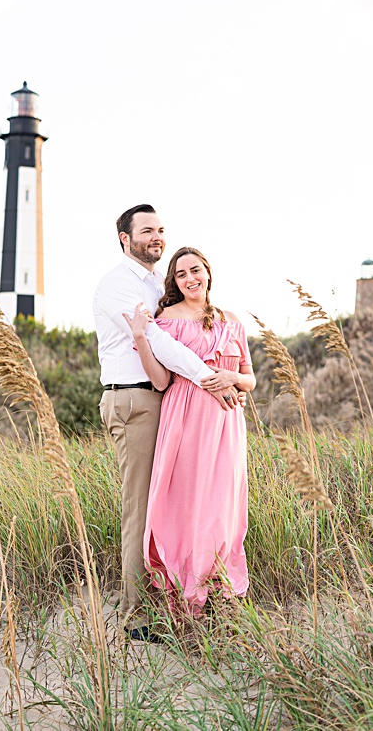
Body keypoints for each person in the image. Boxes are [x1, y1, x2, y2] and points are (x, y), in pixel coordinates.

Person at [93, 204, 241, 641]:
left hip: (167, 401)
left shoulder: (157, 283)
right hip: (134, 399)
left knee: (173, 503)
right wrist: (210, 379)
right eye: (146, 231)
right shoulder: (117, 285)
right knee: (143, 506)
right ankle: (136, 617)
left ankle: (182, 594)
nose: (156, 236)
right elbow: (157, 340)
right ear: (125, 238)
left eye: (160, 230)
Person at [126, 246, 255, 616]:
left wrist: (233, 377)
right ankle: (187, 595)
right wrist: (140, 337)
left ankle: (219, 588)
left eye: (195, 270)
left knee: (222, 506)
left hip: (227, 423)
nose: (190, 279)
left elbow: (251, 379)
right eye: (181, 274)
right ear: (175, 282)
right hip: (185, 418)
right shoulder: (166, 318)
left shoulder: (232, 320)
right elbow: (162, 379)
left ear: (208, 273)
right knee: (186, 505)